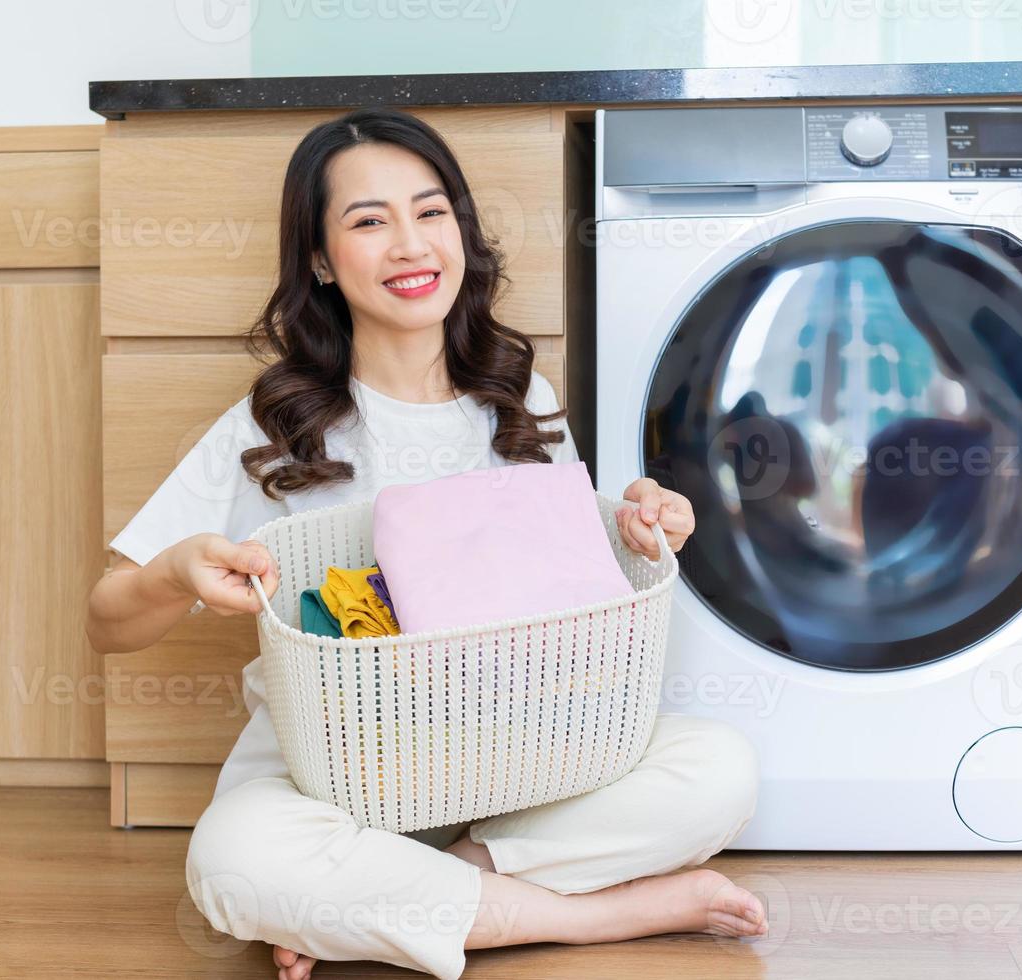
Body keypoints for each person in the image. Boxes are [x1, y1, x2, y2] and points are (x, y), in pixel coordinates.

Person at [84, 107, 765, 980]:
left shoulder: (522, 401)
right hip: (329, 787)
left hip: (524, 768)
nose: (410, 245)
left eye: (431, 212)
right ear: (321, 261)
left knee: (719, 770)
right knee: (235, 862)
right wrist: (178, 572)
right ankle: (589, 920)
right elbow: (108, 622)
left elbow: (579, 588)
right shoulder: (276, 428)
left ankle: (408, 904)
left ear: (462, 233)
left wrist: (634, 526)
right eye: (370, 222)